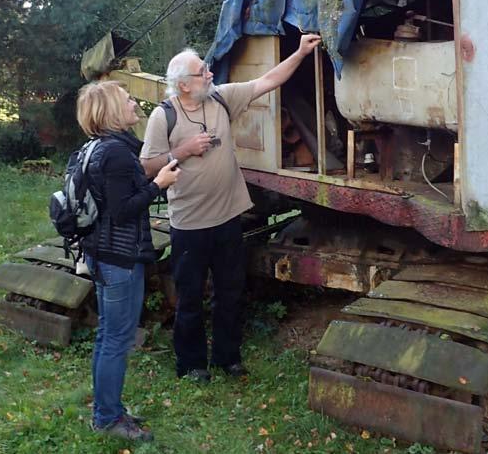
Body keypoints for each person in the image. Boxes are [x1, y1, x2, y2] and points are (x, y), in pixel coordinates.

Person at [140, 34, 321, 380]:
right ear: (183, 86)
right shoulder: (164, 118)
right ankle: (191, 365)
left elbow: (268, 80)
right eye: (202, 72)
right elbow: (147, 166)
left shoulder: (221, 98)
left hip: (227, 220)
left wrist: (299, 53)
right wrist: (185, 150)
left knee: (230, 293)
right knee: (190, 298)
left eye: (207, 69)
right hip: (189, 224)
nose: (210, 74)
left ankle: (228, 358)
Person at [76, 81, 180, 441]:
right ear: (110, 111)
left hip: (102, 253)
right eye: (126, 100)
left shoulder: (96, 148)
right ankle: (108, 418)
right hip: (119, 256)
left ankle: (107, 408)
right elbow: (122, 211)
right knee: (117, 338)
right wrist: (159, 184)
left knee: (108, 335)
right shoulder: (116, 155)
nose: (134, 103)